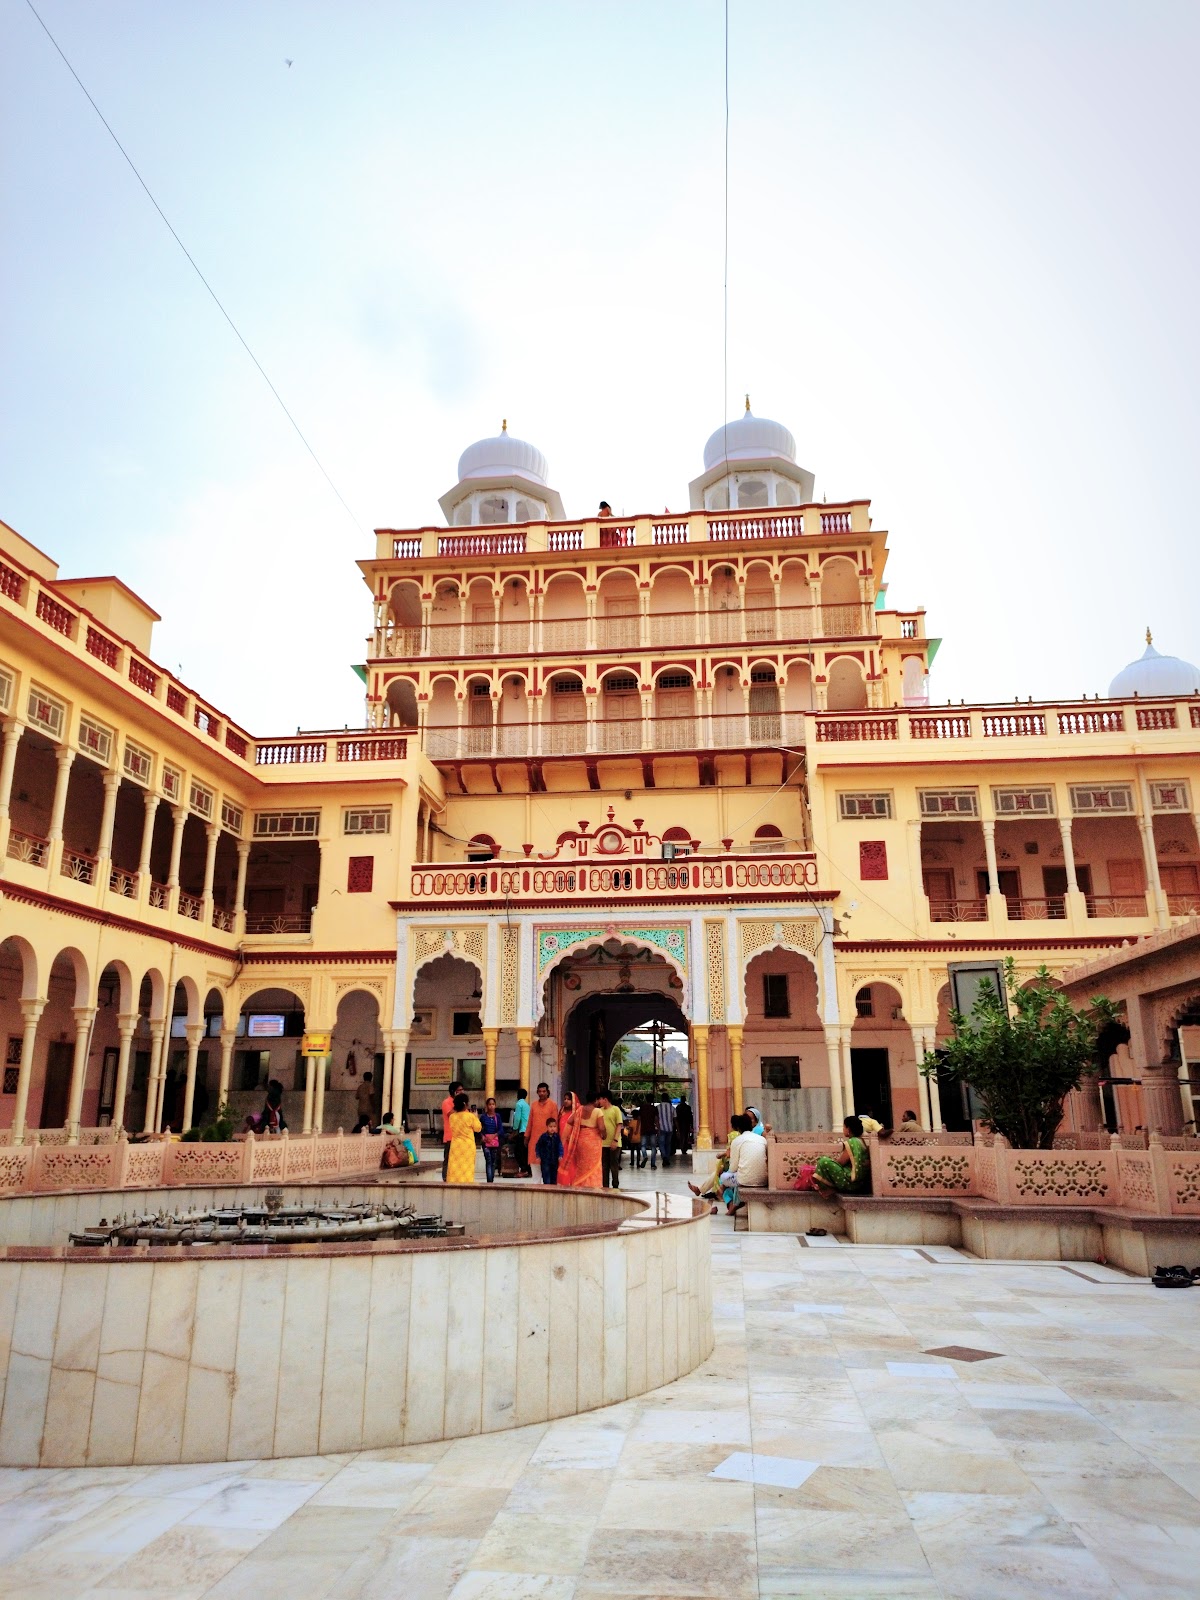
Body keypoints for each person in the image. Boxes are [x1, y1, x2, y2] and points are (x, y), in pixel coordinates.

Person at [813, 1116, 872, 1195]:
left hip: (850, 1182)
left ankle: (829, 1188)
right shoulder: (861, 1141)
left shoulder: (852, 1142)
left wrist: (832, 1162)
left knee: (823, 1161)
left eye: (844, 1127)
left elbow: (841, 1162)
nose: (843, 1129)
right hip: (860, 1183)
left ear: (848, 1129)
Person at [720, 1115, 768, 1211]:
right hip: (764, 1179)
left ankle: (732, 1203)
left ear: (738, 1127)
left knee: (723, 1178)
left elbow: (732, 1168)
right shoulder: (762, 1140)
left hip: (744, 1180)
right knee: (737, 1177)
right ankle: (732, 1203)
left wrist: (723, 1183)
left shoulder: (737, 1141)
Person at [560, 1098, 605, 1187]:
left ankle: (579, 1185)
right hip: (593, 1144)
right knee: (594, 1166)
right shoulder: (598, 1111)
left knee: (581, 1166)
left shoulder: (579, 1110)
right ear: (595, 1100)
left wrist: (563, 1139)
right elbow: (601, 1128)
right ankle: (593, 1187)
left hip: (580, 1141)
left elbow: (569, 1121)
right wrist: (604, 1135)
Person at [446, 1091, 482, 1183]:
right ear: (465, 1104)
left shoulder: (452, 1117)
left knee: (454, 1169)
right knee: (467, 1169)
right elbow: (478, 1128)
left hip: (455, 1146)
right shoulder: (470, 1116)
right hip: (468, 1147)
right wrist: (476, 1116)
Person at [526, 1082, 559, 1183]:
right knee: (535, 1169)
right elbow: (530, 1122)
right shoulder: (534, 1105)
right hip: (535, 1141)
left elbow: (554, 1123)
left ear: (548, 1092)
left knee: (548, 1171)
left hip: (548, 1142)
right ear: (537, 1092)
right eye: (540, 1091)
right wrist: (526, 1136)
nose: (542, 1093)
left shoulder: (553, 1105)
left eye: (544, 1091)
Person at [598, 1091, 623, 1189]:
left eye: (600, 1099)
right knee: (604, 1166)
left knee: (614, 1165)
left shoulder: (615, 1109)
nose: (599, 1101)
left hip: (614, 1143)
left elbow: (619, 1125)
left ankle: (615, 1185)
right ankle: (605, 1187)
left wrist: (615, 1140)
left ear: (605, 1099)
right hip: (603, 1143)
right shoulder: (600, 1111)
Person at [441, 1079, 463, 1181]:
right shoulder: (446, 1102)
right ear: (454, 1091)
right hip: (450, 1135)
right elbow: (450, 1114)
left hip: (460, 1135)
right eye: (460, 1090)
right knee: (448, 1158)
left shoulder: (462, 1104)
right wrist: (457, 1104)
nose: (462, 1092)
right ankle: (445, 1177)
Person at [480, 1096, 504, 1183]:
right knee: (488, 1160)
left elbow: (501, 1129)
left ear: (495, 1105)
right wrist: (482, 1136)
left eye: (493, 1104)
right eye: (489, 1104)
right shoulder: (483, 1117)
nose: (491, 1106)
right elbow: (479, 1129)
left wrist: (494, 1135)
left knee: (493, 1161)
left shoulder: (497, 1116)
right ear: (487, 1106)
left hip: (494, 1141)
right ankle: (489, 1181)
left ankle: (491, 1180)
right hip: (486, 1142)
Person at [535, 1116, 564, 1185]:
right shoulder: (543, 1137)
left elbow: (560, 1146)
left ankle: (553, 1193)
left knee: (554, 1179)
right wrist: (538, 1156)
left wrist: (560, 1155)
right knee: (546, 1178)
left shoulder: (557, 1137)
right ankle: (547, 1192)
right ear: (547, 1127)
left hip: (554, 1161)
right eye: (550, 1127)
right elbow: (538, 1146)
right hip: (545, 1161)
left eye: (554, 1126)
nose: (552, 1128)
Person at [511, 1087, 531, 1175]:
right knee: (526, 1151)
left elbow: (517, 1118)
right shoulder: (527, 1105)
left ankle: (523, 1169)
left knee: (518, 1151)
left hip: (522, 1130)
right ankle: (528, 1170)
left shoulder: (519, 1104)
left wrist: (514, 1129)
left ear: (518, 1095)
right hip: (528, 1130)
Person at [656, 1094, 676, 1168]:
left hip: (661, 1128)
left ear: (661, 1099)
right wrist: (677, 1129)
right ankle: (667, 1158)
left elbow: (656, 1119)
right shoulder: (672, 1108)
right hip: (670, 1128)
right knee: (668, 1144)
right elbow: (675, 1119)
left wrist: (657, 1128)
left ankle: (664, 1157)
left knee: (661, 1144)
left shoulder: (658, 1107)